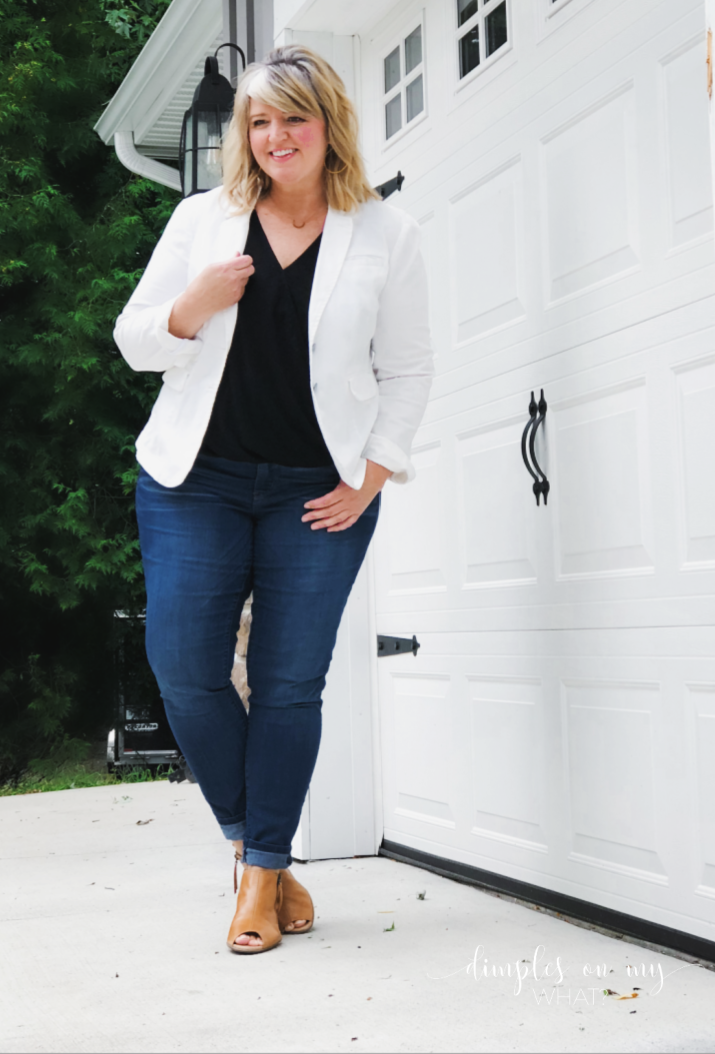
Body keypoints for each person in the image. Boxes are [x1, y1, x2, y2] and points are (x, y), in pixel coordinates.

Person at [113, 45, 433, 955]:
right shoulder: (201, 223)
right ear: (243, 137)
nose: (275, 136)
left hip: (317, 490)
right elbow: (136, 339)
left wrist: (370, 475)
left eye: (293, 117)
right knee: (184, 668)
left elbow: (407, 369)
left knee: (291, 683)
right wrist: (194, 305)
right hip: (195, 481)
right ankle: (258, 849)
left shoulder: (384, 235)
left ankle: (259, 879)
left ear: (327, 123)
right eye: (259, 121)